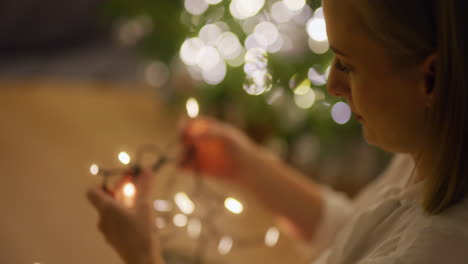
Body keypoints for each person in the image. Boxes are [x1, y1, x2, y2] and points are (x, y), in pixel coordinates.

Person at [86, 0, 468, 263]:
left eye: (348, 65)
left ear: (430, 78)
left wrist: (142, 255)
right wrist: (246, 165)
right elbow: (355, 232)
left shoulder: (433, 249)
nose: (332, 83)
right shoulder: (428, 156)